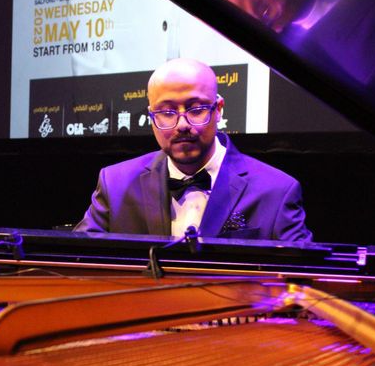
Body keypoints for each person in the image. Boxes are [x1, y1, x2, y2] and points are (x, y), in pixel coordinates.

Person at [74, 58, 312, 241]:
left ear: (218, 109)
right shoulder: (115, 183)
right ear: (150, 116)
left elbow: (304, 283)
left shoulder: (277, 191)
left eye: (196, 109)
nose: (182, 125)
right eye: (166, 113)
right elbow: (74, 263)